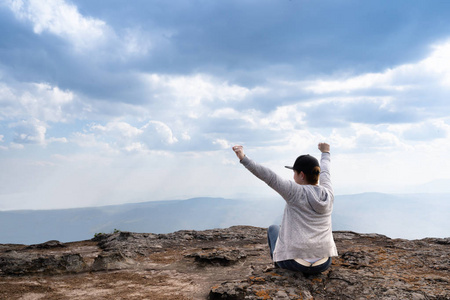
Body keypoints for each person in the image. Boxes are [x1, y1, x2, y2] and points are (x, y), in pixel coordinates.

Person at [232, 143, 337, 275]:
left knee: (273, 229)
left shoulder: (294, 191)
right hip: (323, 263)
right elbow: (326, 172)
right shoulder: (328, 193)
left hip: (294, 263)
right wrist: (325, 152)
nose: (293, 176)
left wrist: (243, 157)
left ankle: (278, 266)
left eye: (294, 172)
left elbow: (268, 176)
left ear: (302, 175)